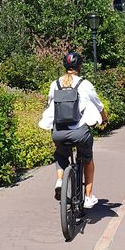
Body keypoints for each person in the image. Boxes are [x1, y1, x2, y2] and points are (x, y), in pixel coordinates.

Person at [39, 51, 108, 209]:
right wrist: (104, 119)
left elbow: (50, 104)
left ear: (65, 66)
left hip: (59, 132)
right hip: (79, 132)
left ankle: (60, 180)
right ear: (80, 66)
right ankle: (88, 196)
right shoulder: (85, 84)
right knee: (88, 159)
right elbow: (99, 106)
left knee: (61, 155)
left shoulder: (54, 84)